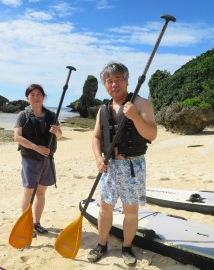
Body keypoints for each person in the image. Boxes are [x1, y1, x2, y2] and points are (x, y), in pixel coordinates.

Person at [88, 62, 157, 266]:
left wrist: (135, 116)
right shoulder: (103, 109)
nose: (114, 84)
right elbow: (95, 138)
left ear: (127, 80)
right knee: (104, 208)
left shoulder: (141, 104)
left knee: (130, 211)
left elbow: (152, 134)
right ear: (105, 85)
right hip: (109, 166)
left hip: (132, 166)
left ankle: (127, 248)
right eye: (109, 81)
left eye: (118, 79)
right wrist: (99, 159)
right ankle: (101, 245)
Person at [14, 84, 62, 236]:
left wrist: (57, 131)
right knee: (29, 192)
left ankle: (37, 223)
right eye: (32, 95)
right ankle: (25, 224)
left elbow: (60, 135)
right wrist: (36, 147)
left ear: (43, 96)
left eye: (39, 94)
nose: (36, 97)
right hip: (30, 158)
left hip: (47, 158)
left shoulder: (51, 115)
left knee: (41, 192)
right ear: (28, 98)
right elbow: (17, 137)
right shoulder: (23, 115)